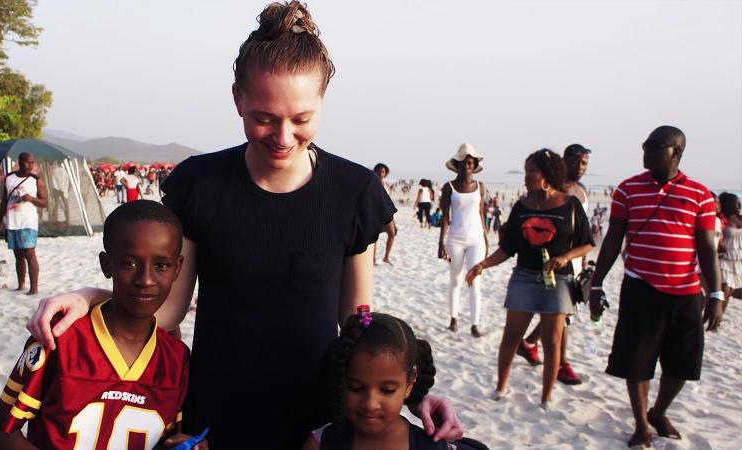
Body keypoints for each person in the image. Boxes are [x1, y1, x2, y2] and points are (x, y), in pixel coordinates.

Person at [24, 3, 461, 449]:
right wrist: (88, 297)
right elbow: (168, 310)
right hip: (214, 414)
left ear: (322, 103)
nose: (283, 136)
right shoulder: (200, 184)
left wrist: (415, 393)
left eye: (302, 119)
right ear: (238, 98)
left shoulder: (354, 192)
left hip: (313, 419)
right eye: (264, 118)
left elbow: (357, 324)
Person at [0, 200, 194, 449]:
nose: (145, 280)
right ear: (106, 264)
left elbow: (165, 438)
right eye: (129, 263)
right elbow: (1, 434)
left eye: (161, 265)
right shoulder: (59, 340)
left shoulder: (176, 358)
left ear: (178, 268)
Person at [588, 126, 723, 448]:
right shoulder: (627, 189)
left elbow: (706, 248)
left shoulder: (700, 194)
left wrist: (716, 294)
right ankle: (640, 425)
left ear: (675, 152)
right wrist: (596, 284)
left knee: (682, 362)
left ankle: (658, 411)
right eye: (645, 145)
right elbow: (613, 239)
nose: (645, 151)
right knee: (637, 360)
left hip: (686, 291)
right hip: (640, 287)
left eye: (653, 146)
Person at [465, 149, 594, 408]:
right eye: (525, 172)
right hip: (523, 277)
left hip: (558, 281)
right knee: (511, 336)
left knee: (552, 340)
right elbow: (508, 248)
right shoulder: (522, 207)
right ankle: (501, 386)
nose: (525, 178)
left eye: (530, 172)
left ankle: (546, 397)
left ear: (546, 175)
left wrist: (565, 257)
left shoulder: (570, 205)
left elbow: (587, 243)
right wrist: (483, 264)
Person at [302, 307, 488, 450]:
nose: (370, 403)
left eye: (387, 390)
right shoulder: (322, 443)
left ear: (409, 383)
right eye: (356, 387)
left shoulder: (429, 446)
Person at [518, 143, 592, 385]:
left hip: (573, 260)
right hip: (553, 261)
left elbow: (582, 230)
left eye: (585, 163)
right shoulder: (556, 191)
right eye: (577, 161)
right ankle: (561, 363)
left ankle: (529, 343)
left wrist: (581, 256)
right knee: (561, 314)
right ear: (564, 161)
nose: (581, 167)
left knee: (561, 314)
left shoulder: (580, 190)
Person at [437, 143, 488, 337]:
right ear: (457, 165)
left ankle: (475, 325)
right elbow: (445, 217)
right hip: (454, 240)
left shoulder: (480, 187)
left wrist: (485, 237)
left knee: (475, 281)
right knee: (456, 280)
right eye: (463, 162)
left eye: (470, 162)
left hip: (476, 240)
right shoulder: (449, 187)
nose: (467, 166)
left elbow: (481, 214)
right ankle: (453, 319)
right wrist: (440, 243)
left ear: (474, 165)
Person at [0, 152, 48, 295]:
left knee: (29, 253)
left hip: (28, 222)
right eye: (27, 162)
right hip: (12, 222)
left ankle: (34, 288)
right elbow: (4, 201)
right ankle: (21, 284)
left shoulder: (36, 180)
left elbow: (45, 202)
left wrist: (31, 199)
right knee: (18, 254)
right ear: (19, 162)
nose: (30, 166)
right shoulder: (9, 178)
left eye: (32, 163)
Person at [718, 192, 742, 308]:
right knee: (724, 289)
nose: (739, 205)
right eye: (736, 203)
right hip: (724, 259)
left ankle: (718, 320)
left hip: (737, 261)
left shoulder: (739, 219)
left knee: (728, 294)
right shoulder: (721, 220)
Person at [373, 163, 397, 265]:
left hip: (387, 212)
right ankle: (373, 259)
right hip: (375, 212)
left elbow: (388, 200)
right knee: (373, 237)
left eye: (383, 171)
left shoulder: (386, 184)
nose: (381, 173)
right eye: (379, 171)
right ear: (375, 171)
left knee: (392, 233)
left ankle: (386, 257)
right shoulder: (372, 182)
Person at [50, 162, 71, 227]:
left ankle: (55, 220)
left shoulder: (55, 171)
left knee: (56, 206)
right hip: (64, 190)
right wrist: (66, 190)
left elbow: (53, 181)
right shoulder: (65, 171)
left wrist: (56, 189)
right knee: (66, 206)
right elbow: (68, 182)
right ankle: (68, 221)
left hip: (57, 191)